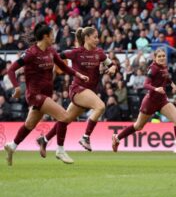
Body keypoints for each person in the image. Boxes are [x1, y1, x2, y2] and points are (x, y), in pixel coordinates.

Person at [4, 22, 89, 165]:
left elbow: (63, 66)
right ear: (45, 36)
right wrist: (17, 87)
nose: (54, 36)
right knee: (64, 116)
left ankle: (12, 146)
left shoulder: (51, 51)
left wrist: (78, 75)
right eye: (52, 34)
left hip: (46, 95)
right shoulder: (31, 53)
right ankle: (60, 150)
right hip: (35, 95)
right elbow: (11, 70)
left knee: (29, 125)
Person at [37, 27, 117, 156]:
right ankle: (85, 137)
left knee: (66, 119)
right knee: (101, 106)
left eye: (98, 37)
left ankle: (44, 140)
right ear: (86, 38)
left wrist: (113, 68)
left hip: (89, 92)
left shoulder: (100, 53)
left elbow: (112, 64)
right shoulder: (76, 52)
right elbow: (56, 56)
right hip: (78, 90)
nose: (97, 39)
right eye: (95, 37)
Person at [112, 48, 176, 156]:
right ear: (155, 58)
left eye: (163, 56)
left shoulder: (164, 67)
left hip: (162, 101)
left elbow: (165, 77)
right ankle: (117, 138)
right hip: (150, 101)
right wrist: (156, 89)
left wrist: (172, 84)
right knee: (138, 126)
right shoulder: (153, 68)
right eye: (159, 56)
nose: (162, 58)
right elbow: (145, 84)